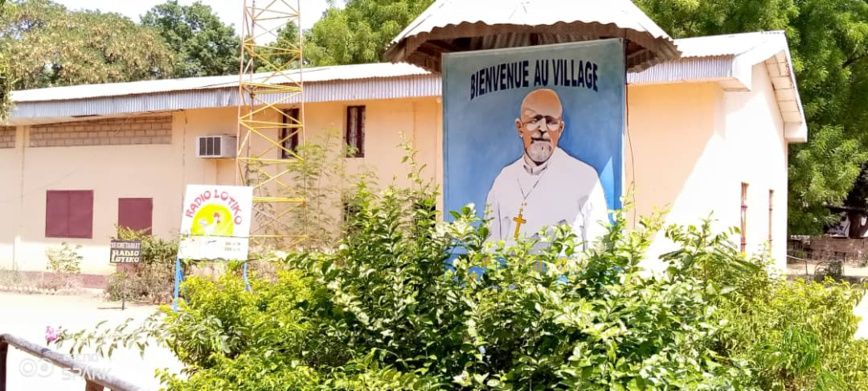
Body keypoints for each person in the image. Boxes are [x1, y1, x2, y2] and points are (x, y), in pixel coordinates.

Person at [485, 88, 609, 247]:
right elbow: (489, 247)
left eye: (550, 121)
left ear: (560, 128)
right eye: (534, 120)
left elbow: (599, 251)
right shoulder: (504, 180)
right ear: (519, 127)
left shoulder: (585, 178)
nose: (542, 129)